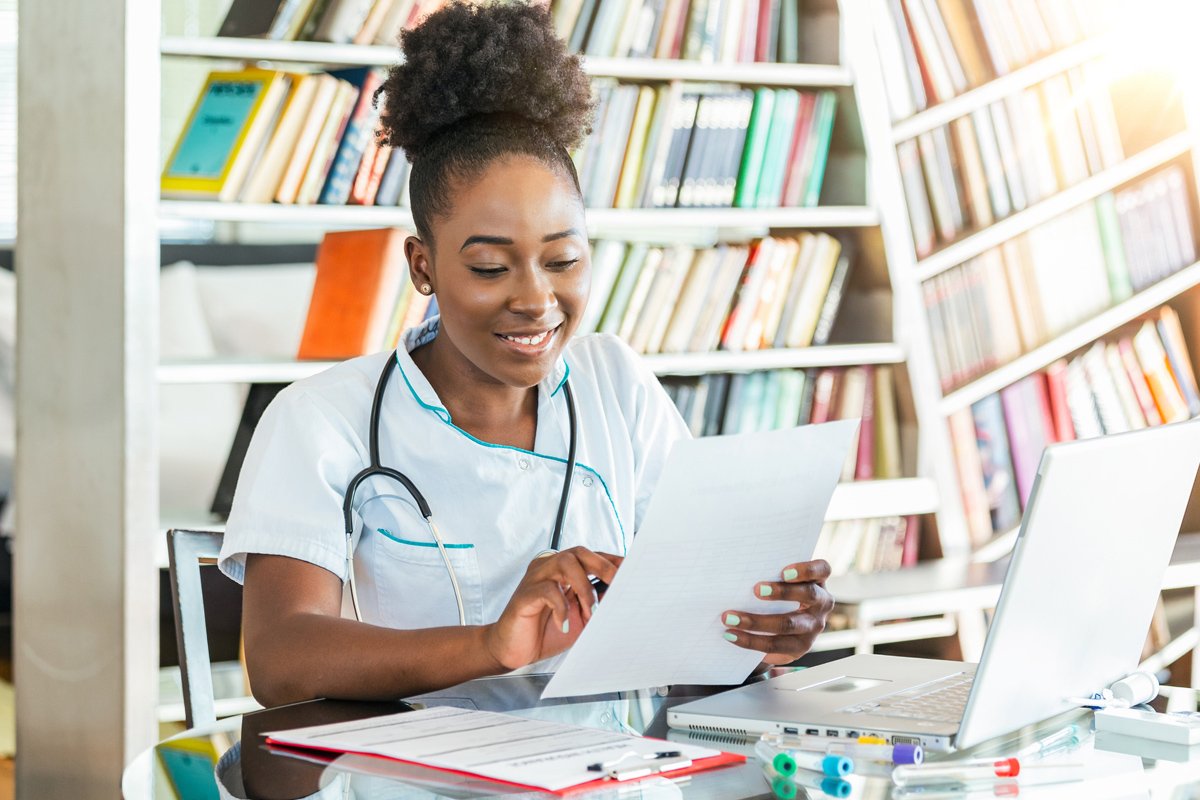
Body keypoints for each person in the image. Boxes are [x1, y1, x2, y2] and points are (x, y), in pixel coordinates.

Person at [218, 0, 834, 707]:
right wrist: (490, 642)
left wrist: (763, 627)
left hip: (613, 769)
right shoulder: (321, 420)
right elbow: (280, 658)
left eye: (563, 260)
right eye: (489, 268)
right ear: (423, 267)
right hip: (419, 777)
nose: (535, 299)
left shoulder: (617, 384)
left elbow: (686, 613)